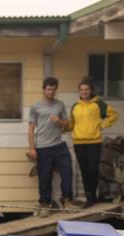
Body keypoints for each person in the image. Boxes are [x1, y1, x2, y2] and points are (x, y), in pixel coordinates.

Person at [27, 77, 74, 216]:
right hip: (42, 146)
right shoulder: (36, 106)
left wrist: (58, 120)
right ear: (44, 89)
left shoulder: (60, 105)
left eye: (53, 89)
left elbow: (67, 124)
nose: (51, 92)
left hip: (59, 145)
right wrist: (32, 148)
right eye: (48, 89)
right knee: (45, 176)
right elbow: (31, 128)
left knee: (67, 172)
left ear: (56, 90)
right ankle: (45, 204)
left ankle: (67, 201)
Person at [69, 77, 119, 208]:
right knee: (84, 171)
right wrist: (62, 125)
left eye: (86, 89)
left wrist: (103, 124)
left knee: (92, 170)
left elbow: (114, 115)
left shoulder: (98, 104)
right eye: (81, 89)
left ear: (90, 91)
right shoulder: (75, 107)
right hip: (78, 143)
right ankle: (90, 198)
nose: (84, 92)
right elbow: (71, 124)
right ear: (79, 91)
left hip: (94, 142)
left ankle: (92, 197)